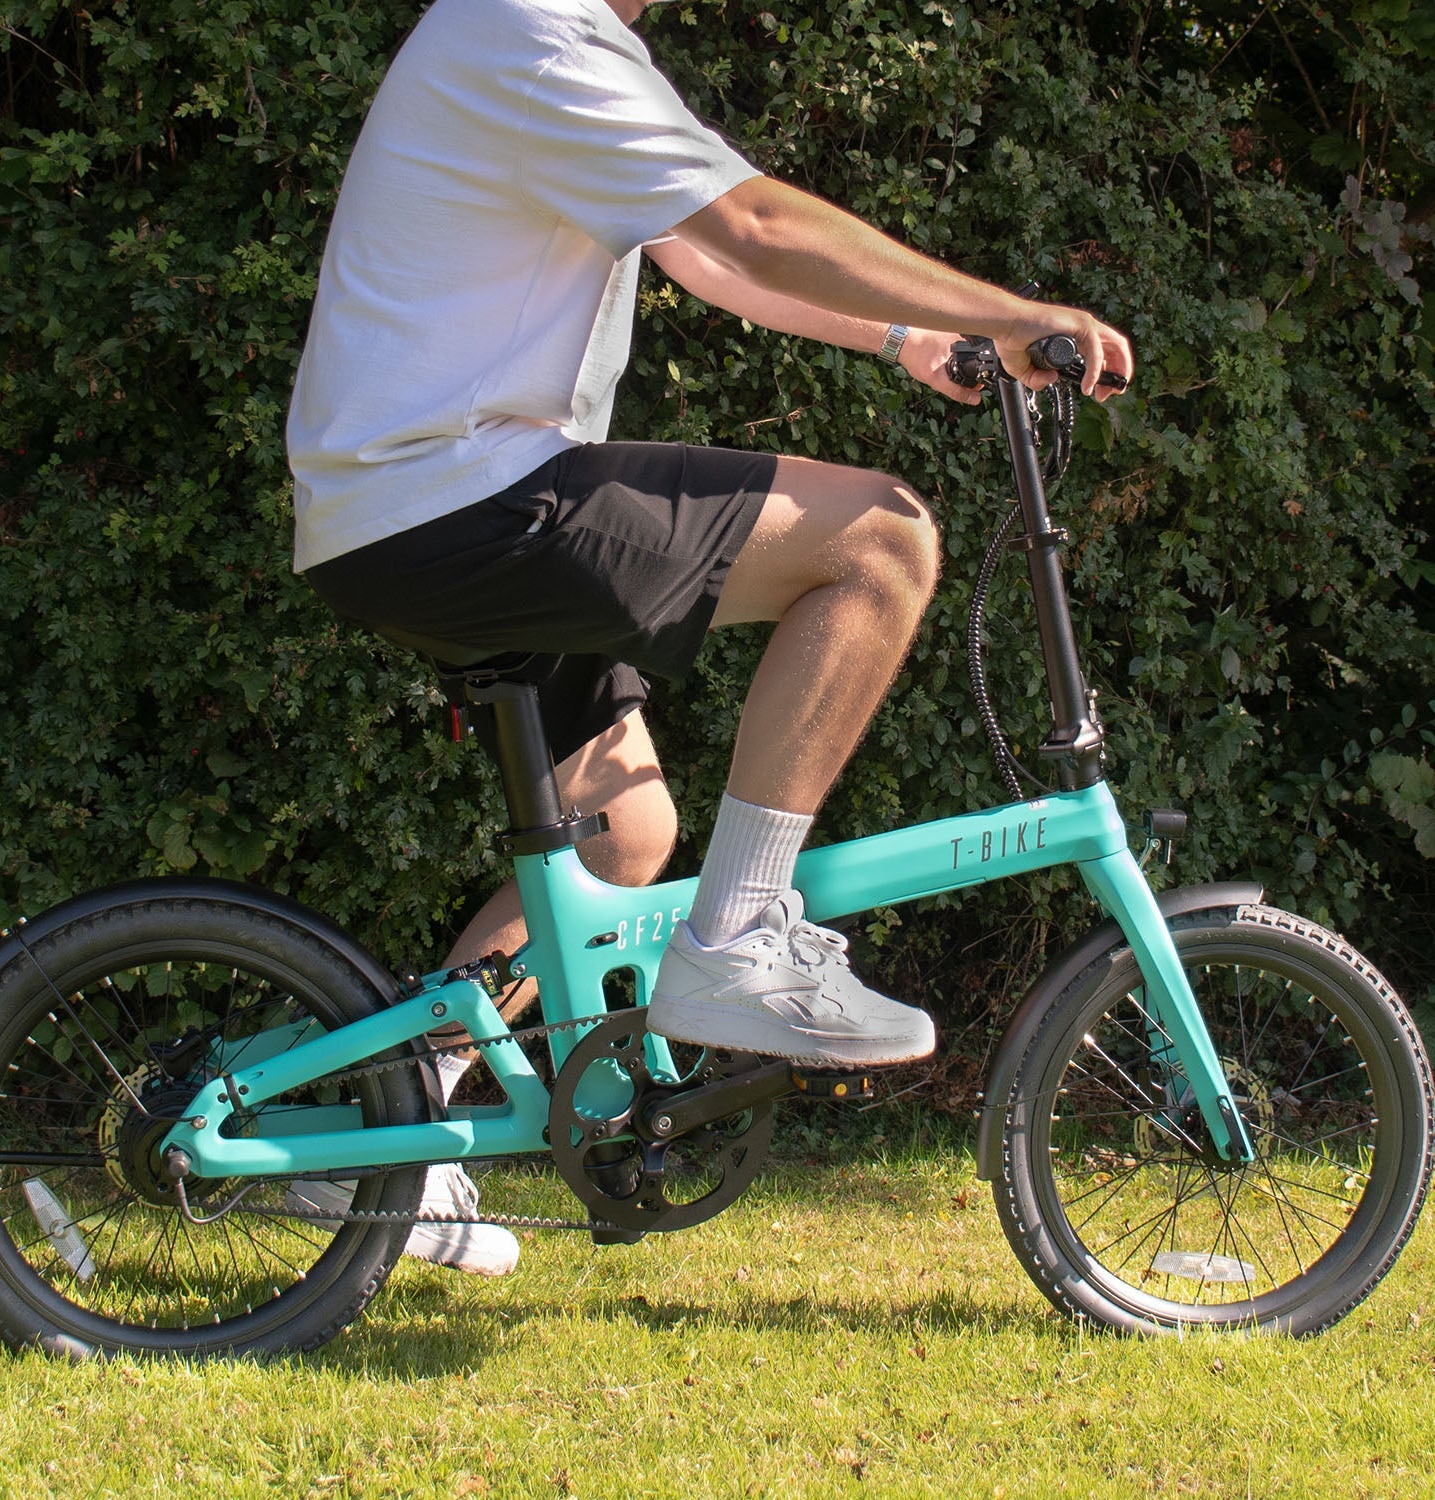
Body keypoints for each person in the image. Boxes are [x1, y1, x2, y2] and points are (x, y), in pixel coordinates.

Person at [284, 0, 1133, 1274]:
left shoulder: (547, 40)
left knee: (623, 838)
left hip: (414, 505)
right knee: (882, 540)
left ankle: (394, 1128)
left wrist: (910, 337)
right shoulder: (532, 31)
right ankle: (736, 938)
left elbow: (700, 250)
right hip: (457, 491)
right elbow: (757, 223)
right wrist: (1013, 311)